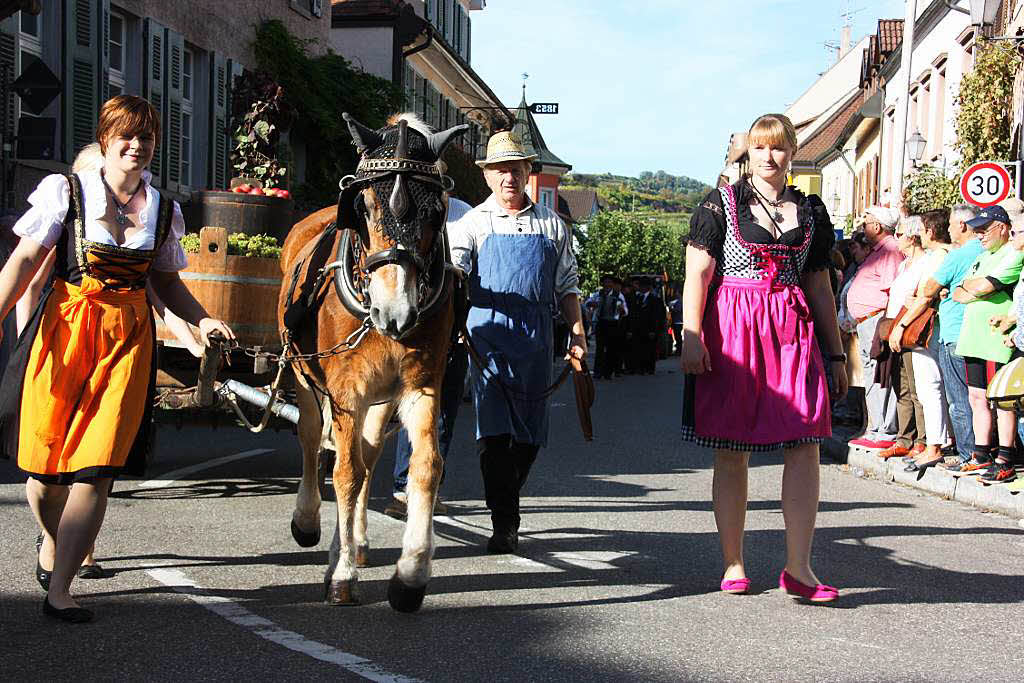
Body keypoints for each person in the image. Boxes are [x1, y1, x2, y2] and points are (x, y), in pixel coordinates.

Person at [0, 95, 235, 623]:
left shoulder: (165, 209)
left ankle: (60, 589)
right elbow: (21, 262)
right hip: (64, 331)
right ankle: (51, 539)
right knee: (44, 468)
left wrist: (201, 320)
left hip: (127, 340)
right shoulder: (66, 193)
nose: (137, 145)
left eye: (146, 137)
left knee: (97, 468)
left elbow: (167, 283)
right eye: (126, 135)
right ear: (105, 140)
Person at [681, 113, 845, 602]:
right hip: (733, 325)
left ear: (792, 152)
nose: (769, 157)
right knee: (732, 448)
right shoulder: (722, 204)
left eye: (778, 148)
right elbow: (699, 273)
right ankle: (733, 561)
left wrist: (835, 354)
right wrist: (691, 334)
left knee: (806, 442)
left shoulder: (810, 211)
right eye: (759, 148)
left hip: (791, 328)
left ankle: (799, 567)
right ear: (746, 154)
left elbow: (819, 283)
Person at [449, 131, 585, 554]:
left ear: (529, 172)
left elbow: (567, 285)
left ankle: (506, 496)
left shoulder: (552, 224)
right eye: (500, 169)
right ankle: (505, 522)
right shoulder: (471, 223)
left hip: (536, 342)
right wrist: (453, 319)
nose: (509, 177)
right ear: (488, 176)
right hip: (487, 339)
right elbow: (456, 274)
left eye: (516, 168)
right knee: (494, 432)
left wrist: (577, 333)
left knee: (529, 435)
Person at [384, 196, 473, 520]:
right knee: (413, 412)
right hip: (416, 329)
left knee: (444, 417)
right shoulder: (408, 213)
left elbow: (473, 273)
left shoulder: (467, 216)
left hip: (453, 331)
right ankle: (400, 489)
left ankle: (428, 488)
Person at [949, 204, 1024, 480]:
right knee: (976, 396)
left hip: (996, 340)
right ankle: (980, 454)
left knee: (1002, 399)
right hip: (972, 338)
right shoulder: (981, 257)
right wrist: (973, 289)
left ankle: (1005, 455)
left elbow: (983, 286)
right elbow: (958, 293)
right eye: (976, 230)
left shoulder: (1012, 253)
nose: (979, 235)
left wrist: (975, 289)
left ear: (1003, 228)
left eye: (984, 229)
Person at [906, 204, 983, 466]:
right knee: (977, 397)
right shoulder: (985, 251)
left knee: (959, 400)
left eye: (951, 223)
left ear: (962, 225)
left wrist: (938, 290)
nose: (949, 228)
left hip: (953, 331)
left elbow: (929, 288)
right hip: (974, 330)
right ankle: (977, 452)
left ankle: (968, 455)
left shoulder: (957, 255)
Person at [887, 210, 952, 471]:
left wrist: (901, 325)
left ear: (931, 231)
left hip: (929, 329)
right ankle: (933, 442)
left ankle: (934, 444)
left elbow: (926, 294)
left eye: (922, 230)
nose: (919, 235)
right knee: (925, 389)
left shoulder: (940, 256)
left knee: (929, 388)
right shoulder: (936, 257)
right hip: (924, 326)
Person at [846, 206, 904, 448]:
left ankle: (884, 430)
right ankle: (876, 428)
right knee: (872, 375)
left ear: (878, 226)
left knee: (881, 374)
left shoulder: (889, 251)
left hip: (877, 319)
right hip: (866, 321)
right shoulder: (878, 251)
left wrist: (886, 324)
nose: (864, 227)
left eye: (867, 223)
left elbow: (894, 289)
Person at [585, 274, 628, 379]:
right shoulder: (597, 294)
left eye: (610, 282)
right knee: (600, 348)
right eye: (606, 282)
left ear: (613, 284)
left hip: (613, 323)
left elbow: (626, 311)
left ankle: (608, 372)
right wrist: (592, 304)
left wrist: (622, 310)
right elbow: (587, 303)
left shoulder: (619, 296)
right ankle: (598, 371)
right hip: (601, 322)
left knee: (611, 348)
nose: (607, 284)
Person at [628, 275, 664, 375]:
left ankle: (650, 368)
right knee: (638, 349)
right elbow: (632, 314)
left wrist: (654, 330)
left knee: (650, 349)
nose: (641, 288)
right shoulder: (636, 298)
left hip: (650, 329)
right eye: (640, 285)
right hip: (637, 329)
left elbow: (657, 316)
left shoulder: (655, 299)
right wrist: (631, 329)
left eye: (643, 286)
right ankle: (640, 368)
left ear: (648, 287)